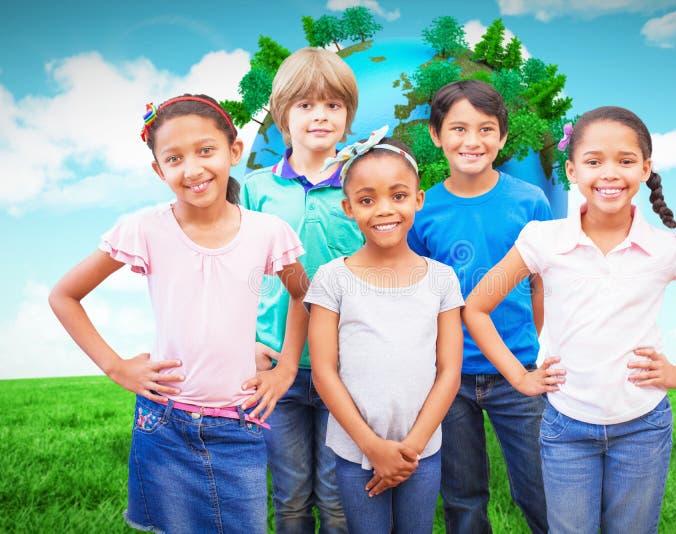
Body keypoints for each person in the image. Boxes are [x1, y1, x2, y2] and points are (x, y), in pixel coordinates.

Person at [463, 106, 676, 533]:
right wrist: (520, 378)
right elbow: (476, 307)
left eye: (626, 160)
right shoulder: (543, 240)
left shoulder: (669, 248)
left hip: (643, 427)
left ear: (646, 168)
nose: (610, 173)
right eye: (594, 161)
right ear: (572, 171)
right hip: (565, 426)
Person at [48, 94, 309, 533]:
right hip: (163, 422)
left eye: (206, 151)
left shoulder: (268, 232)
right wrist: (115, 367)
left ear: (233, 151)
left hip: (238, 421)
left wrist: (285, 369)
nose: (192, 169)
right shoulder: (144, 228)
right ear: (158, 170)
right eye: (174, 158)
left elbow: (303, 295)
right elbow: (64, 295)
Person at [407, 79, 552, 533]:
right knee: (463, 498)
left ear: (503, 137)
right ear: (436, 134)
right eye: (458, 129)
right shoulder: (423, 209)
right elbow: (419, 293)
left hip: (519, 372)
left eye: (486, 129)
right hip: (449, 377)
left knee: (541, 488)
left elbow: (541, 286)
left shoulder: (530, 202)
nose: (473, 141)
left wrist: (527, 353)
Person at [306, 127, 464, 533]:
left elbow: (449, 370)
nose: (384, 210)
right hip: (356, 449)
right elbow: (324, 371)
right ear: (348, 208)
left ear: (418, 199)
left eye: (398, 196)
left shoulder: (442, 279)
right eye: (366, 200)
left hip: (422, 449)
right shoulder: (332, 278)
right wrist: (373, 448)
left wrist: (409, 450)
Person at [239, 46, 361, 533]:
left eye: (333, 105)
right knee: (289, 498)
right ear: (282, 114)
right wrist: (245, 341)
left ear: (348, 115)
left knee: (337, 499)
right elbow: (239, 274)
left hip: (347, 361)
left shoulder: (361, 184)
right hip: (274, 364)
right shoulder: (254, 188)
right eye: (306, 105)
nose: (320, 116)